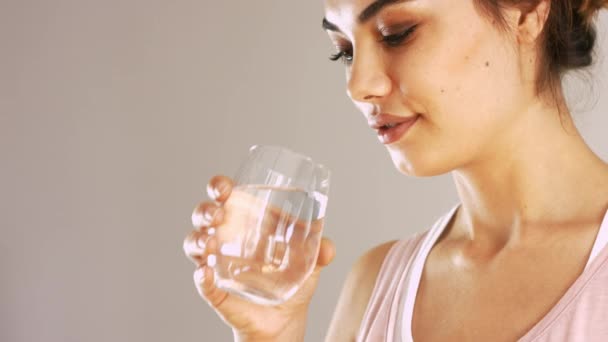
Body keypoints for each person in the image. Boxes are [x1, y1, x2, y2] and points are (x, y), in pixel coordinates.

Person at [183, 0, 608, 340]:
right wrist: (269, 336)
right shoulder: (374, 288)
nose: (358, 85)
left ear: (529, 11)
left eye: (396, 33)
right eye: (344, 52)